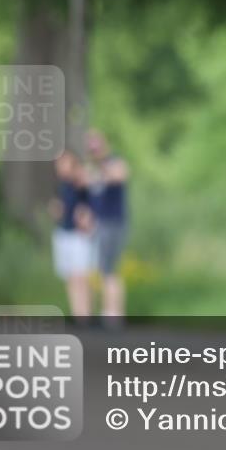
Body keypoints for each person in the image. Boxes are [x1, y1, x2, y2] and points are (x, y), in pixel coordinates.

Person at [86, 129, 130, 318]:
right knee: (104, 270)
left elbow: (120, 175)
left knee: (109, 269)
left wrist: (101, 163)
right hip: (100, 224)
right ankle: (108, 311)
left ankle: (113, 313)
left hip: (113, 223)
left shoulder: (114, 162)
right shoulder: (93, 169)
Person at [49, 150, 94, 317]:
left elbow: (91, 202)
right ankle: (78, 314)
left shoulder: (80, 182)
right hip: (63, 233)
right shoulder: (59, 185)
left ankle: (86, 314)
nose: (60, 167)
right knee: (69, 277)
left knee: (80, 276)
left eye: (63, 163)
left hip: (78, 235)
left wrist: (86, 215)